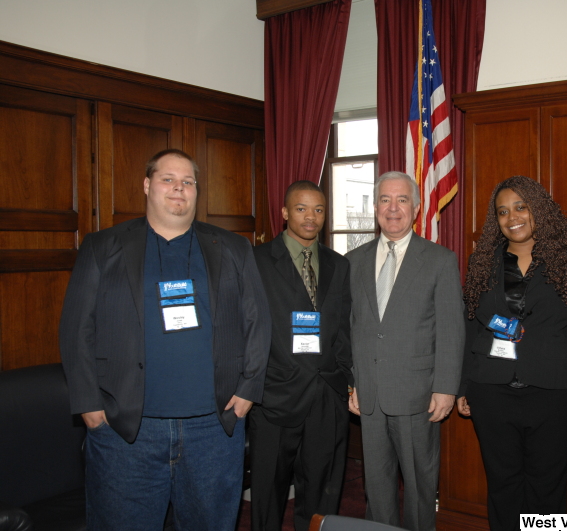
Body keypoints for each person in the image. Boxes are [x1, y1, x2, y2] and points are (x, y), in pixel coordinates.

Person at [59, 149, 272, 531]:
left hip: (214, 428)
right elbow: (76, 329)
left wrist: (249, 389)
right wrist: (89, 404)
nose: (179, 189)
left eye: (188, 181)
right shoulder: (102, 246)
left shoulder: (234, 248)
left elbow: (258, 321)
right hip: (127, 430)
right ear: (147, 185)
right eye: (168, 179)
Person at [456, 176, 567, 527]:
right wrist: (462, 386)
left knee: (547, 489)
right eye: (503, 211)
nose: (512, 217)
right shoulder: (483, 263)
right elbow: (471, 327)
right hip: (492, 391)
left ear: (539, 210)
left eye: (521, 207)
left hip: (554, 392)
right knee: (502, 486)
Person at [346, 171, 464, 531]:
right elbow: (349, 328)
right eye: (385, 200)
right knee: (376, 486)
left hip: (418, 394)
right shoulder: (353, 261)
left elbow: (451, 328)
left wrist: (445, 387)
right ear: (376, 207)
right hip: (369, 393)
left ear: (415, 208)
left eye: (401, 200)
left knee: (418, 485)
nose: (392, 208)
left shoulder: (440, 260)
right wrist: (352, 383)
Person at [249, 180, 352, 531]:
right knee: (268, 493)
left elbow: (344, 327)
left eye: (319, 210)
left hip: (326, 394)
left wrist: (345, 379)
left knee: (323, 491)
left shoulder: (339, 264)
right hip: (274, 394)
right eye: (301, 209)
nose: (311, 217)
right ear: (284, 213)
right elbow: (246, 327)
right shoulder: (256, 261)